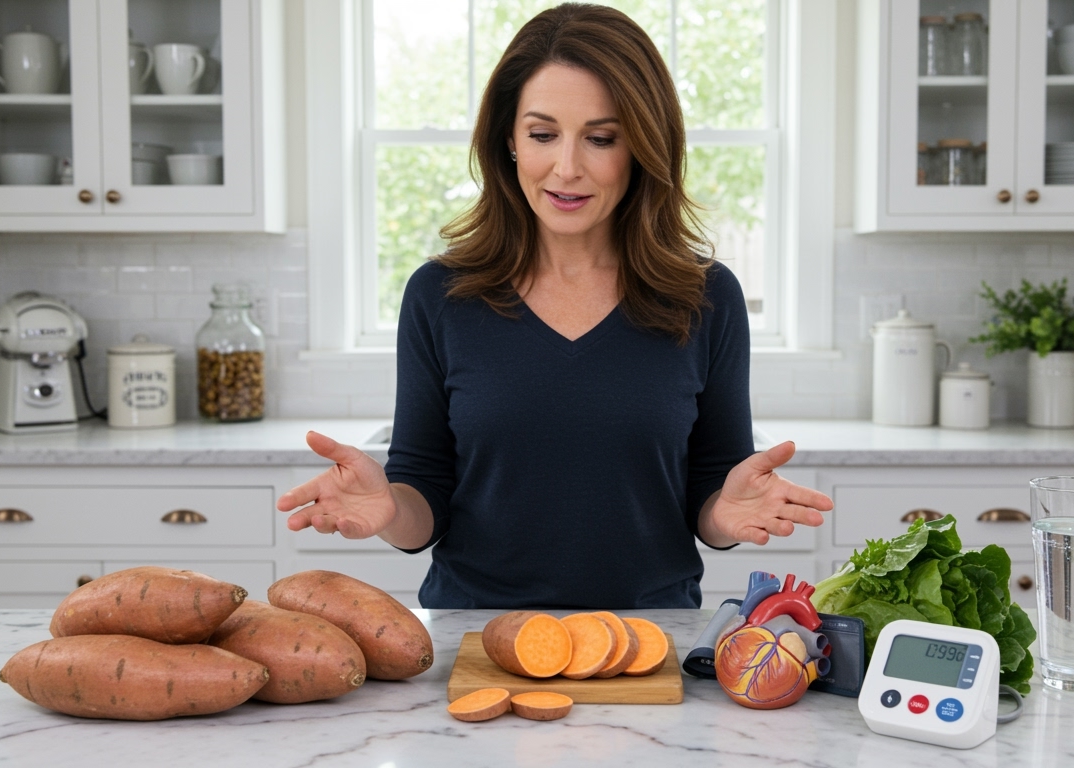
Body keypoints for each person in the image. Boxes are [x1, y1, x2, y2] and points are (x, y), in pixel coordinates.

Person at [278, 2, 832, 609]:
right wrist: (388, 509)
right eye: (543, 134)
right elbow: (424, 497)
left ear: (643, 146)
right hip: (476, 637)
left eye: (601, 138)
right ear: (509, 141)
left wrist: (726, 516)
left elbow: (712, 490)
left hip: (646, 639)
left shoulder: (705, 297)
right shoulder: (440, 296)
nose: (567, 168)